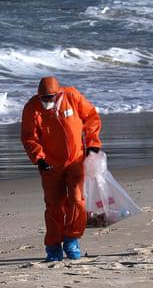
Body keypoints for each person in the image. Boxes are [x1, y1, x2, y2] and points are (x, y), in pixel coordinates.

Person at [20, 76, 102, 262]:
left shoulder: (72, 96)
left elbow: (92, 118)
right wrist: (39, 159)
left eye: (51, 97)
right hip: (50, 166)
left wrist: (93, 144)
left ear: (58, 94)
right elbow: (28, 137)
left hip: (76, 161)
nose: (47, 101)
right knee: (54, 205)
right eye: (44, 98)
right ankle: (53, 246)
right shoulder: (32, 108)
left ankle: (72, 239)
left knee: (77, 199)